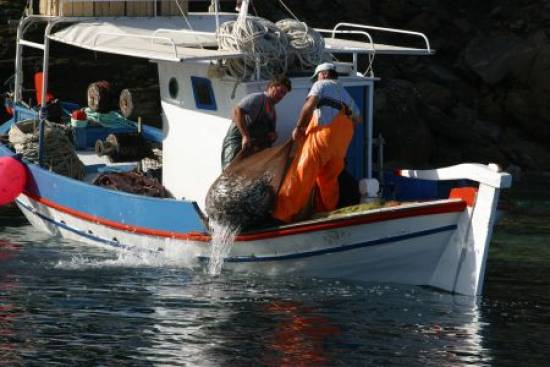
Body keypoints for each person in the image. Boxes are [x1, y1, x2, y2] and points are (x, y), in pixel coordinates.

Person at [273, 62, 362, 223]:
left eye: (317, 76)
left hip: (322, 137)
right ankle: (327, 214)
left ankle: (281, 215)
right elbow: (357, 119)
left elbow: (309, 105)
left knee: (301, 174)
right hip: (340, 147)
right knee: (328, 181)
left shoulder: (321, 85)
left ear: (325, 74)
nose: (316, 79)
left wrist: (300, 127)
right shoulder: (344, 92)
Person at [221, 74, 291, 169]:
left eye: (284, 93)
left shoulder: (273, 112)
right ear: (271, 87)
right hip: (236, 143)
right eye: (280, 91)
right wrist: (245, 136)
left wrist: (274, 135)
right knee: (230, 172)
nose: (281, 96)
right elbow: (237, 111)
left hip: (250, 147)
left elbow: (270, 134)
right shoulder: (258, 98)